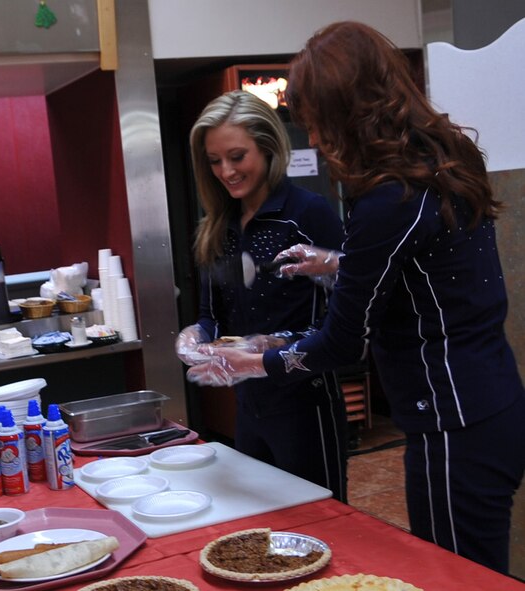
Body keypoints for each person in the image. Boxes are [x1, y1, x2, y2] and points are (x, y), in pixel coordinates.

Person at [186, 22, 525, 575]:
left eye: (319, 123)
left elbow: (344, 342)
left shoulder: (385, 199)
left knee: (458, 578)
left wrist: (258, 362)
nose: (316, 140)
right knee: (478, 571)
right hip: (490, 400)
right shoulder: (447, 156)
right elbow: (432, 268)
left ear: (352, 111)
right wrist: (340, 262)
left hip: (451, 420)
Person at [176, 90, 348, 501]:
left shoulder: (307, 214)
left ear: (269, 148)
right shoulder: (219, 225)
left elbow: (345, 322)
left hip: (304, 403)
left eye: (237, 157)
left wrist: (268, 346)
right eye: (215, 161)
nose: (226, 171)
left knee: (320, 524)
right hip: (249, 406)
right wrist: (195, 336)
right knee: (260, 526)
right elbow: (212, 315)